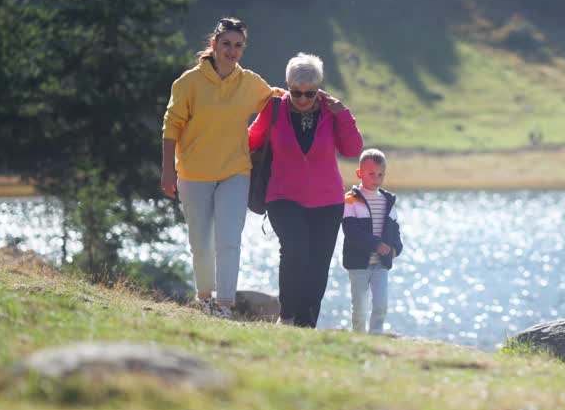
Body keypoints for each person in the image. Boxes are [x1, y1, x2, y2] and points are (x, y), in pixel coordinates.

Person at [162, 17, 283, 319]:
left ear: (244, 49)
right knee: (201, 243)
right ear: (214, 44)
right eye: (226, 44)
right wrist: (167, 170)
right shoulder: (188, 82)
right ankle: (204, 298)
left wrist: (316, 96)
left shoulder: (250, 82)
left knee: (229, 240)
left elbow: (278, 100)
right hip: (193, 173)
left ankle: (225, 306)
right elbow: (171, 126)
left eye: (238, 46)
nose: (232, 51)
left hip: (235, 172)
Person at [248, 52, 362, 327]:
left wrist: (343, 114)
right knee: (295, 249)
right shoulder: (274, 108)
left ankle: (306, 323)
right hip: (282, 197)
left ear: (318, 89)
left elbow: (352, 149)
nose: (301, 99)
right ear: (287, 86)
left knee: (318, 264)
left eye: (309, 93)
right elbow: (250, 140)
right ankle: (286, 317)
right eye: (295, 92)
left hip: (328, 202)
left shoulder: (331, 112)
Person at [341, 149, 403, 335]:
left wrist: (395, 249)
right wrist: (375, 244)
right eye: (371, 174)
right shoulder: (350, 200)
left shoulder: (387, 201)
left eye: (380, 174)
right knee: (359, 307)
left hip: (381, 264)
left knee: (381, 304)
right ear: (359, 174)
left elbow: (395, 231)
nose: (376, 178)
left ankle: (375, 337)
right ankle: (359, 337)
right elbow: (351, 231)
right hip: (358, 263)